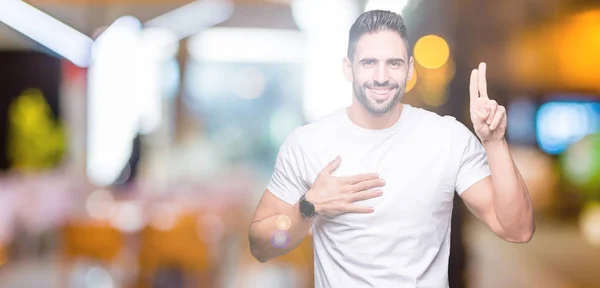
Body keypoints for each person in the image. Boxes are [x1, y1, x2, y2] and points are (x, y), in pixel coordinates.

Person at [249, 9, 535, 287]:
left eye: (394, 63)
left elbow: (517, 230)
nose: (382, 76)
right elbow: (261, 247)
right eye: (369, 63)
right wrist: (308, 208)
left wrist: (494, 142)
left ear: (410, 68)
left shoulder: (447, 138)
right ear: (348, 68)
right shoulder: (307, 143)